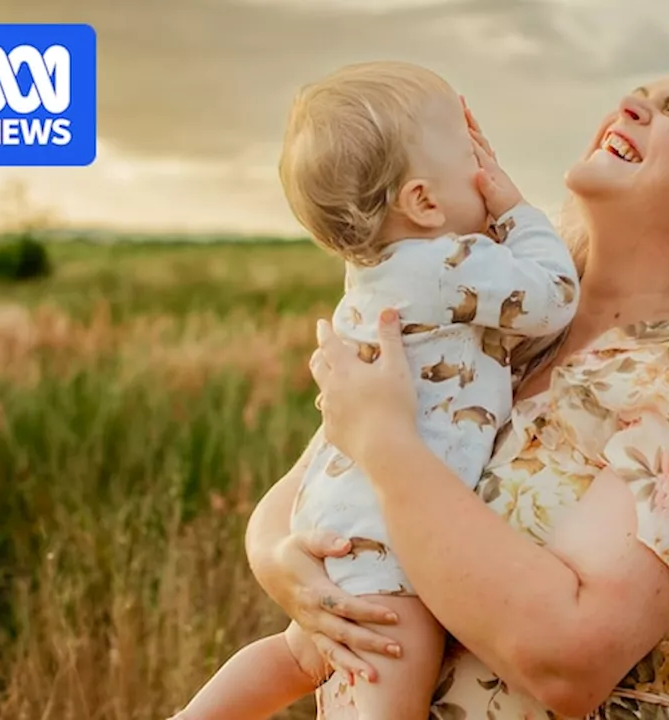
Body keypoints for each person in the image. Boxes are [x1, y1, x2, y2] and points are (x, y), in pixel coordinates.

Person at [249, 61, 669, 720]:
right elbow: (305, 489)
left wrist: (389, 451)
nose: (630, 103)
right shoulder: (496, 335)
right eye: (638, 94)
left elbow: (566, 660)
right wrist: (287, 567)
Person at [171, 61, 579, 720]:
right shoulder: (446, 264)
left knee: (299, 656)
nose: (486, 164)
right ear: (423, 201)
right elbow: (554, 298)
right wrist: (516, 211)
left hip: (341, 515)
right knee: (387, 692)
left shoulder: (378, 271)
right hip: (390, 546)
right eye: (469, 152)